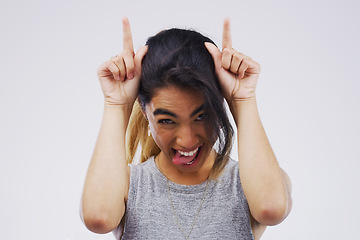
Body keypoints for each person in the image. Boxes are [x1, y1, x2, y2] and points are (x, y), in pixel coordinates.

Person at [81, 17, 292, 240]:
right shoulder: (128, 186)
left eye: (201, 116)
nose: (187, 140)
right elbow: (98, 217)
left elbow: (271, 209)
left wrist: (243, 100)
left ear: (220, 106)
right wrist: (116, 104)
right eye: (167, 120)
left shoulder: (250, 184)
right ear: (145, 112)